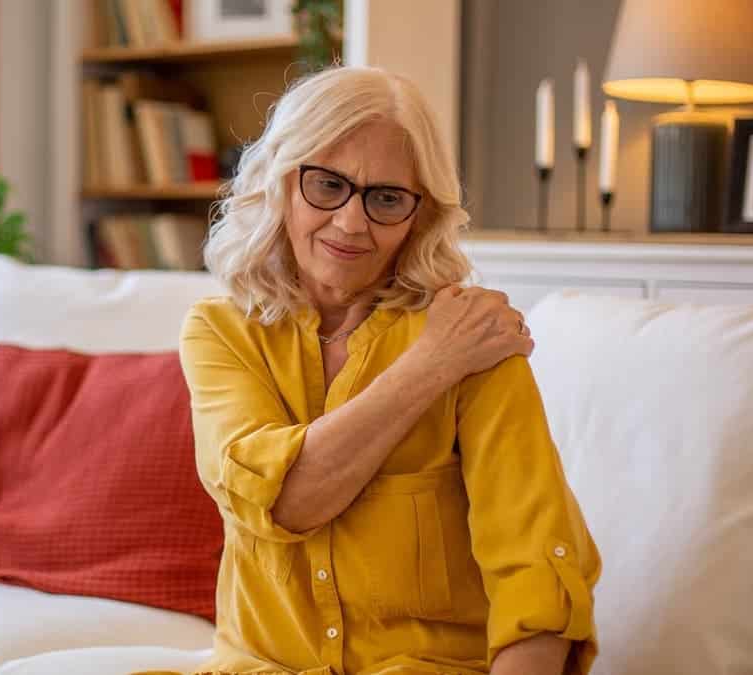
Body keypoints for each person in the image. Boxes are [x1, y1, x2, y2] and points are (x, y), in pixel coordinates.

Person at [177, 66, 600, 675]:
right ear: (279, 182)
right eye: (328, 185)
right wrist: (431, 364)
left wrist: (449, 353)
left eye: (386, 198)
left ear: (419, 215)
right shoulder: (220, 332)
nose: (352, 223)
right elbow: (286, 500)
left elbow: (535, 575)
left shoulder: (477, 341)